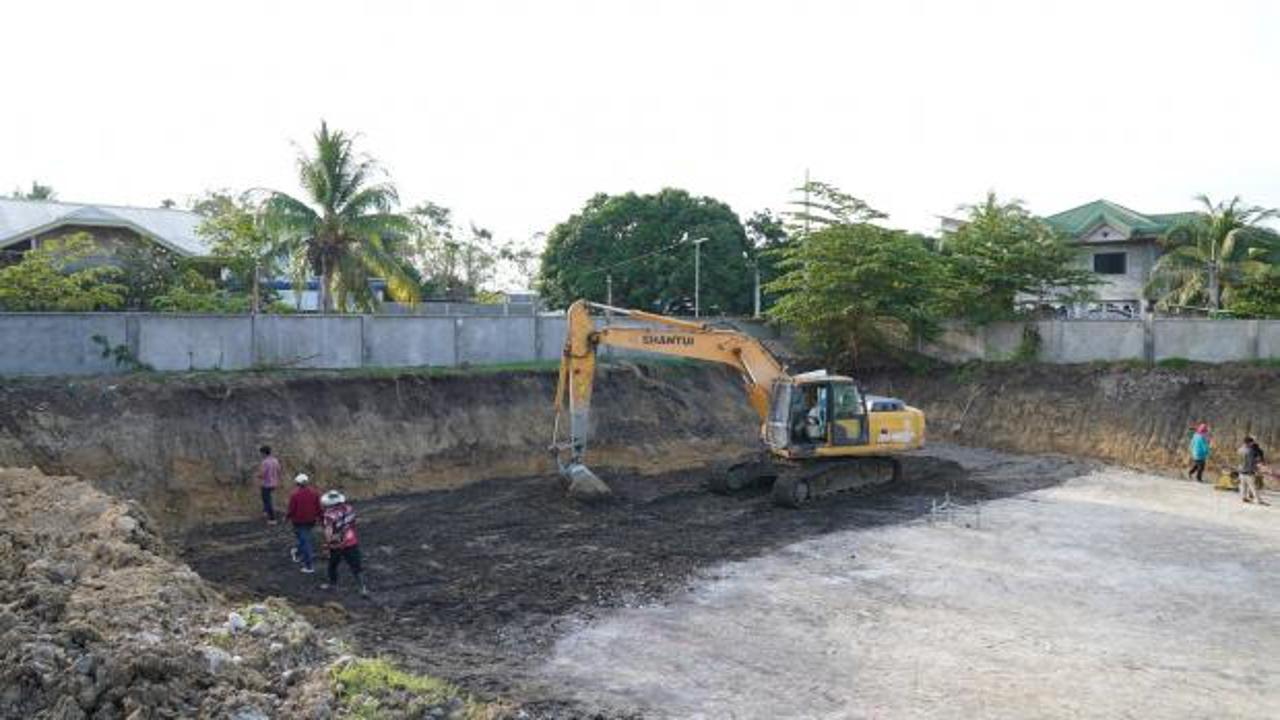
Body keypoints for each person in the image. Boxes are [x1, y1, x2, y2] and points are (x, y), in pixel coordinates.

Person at [319, 490, 368, 596]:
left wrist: (327, 544)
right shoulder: (349, 509)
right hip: (351, 541)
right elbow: (353, 523)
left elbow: (328, 530)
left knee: (333, 565)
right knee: (356, 566)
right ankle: (362, 587)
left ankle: (333, 585)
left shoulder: (329, 515)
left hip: (336, 544)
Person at [285, 473, 322, 574]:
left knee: (305, 542)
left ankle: (308, 566)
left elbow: (291, 510)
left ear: (297, 483)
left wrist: (287, 518)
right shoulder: (315, 493)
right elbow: (318, 508)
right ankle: (298, 552)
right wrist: (321, 519)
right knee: (305, 538)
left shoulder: (295, 495)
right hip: (311, 521)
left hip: (299, 522)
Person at [1237, 436, 1269, 505]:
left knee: (1243, 486)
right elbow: (1254, 461)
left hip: (1241, 470)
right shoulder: (1251, 451)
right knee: (1253, 487)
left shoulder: (1240, 449)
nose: (1252, 444)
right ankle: (1257, 500)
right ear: (1249, 442)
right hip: (1248, 471)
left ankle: (1244, 497)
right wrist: (1258, 466)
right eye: (1251, 442)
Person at [258, 445, 281, 524]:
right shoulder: (275, 460)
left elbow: (262, 474)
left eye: (261, 453)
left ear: (264, 453)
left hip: (266, 484)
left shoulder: (265, 462)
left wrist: (258, 475)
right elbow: (279, 470)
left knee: (267, 500)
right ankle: (266, 512)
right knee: (270, 499)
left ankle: (272, 518)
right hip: (274, 483)